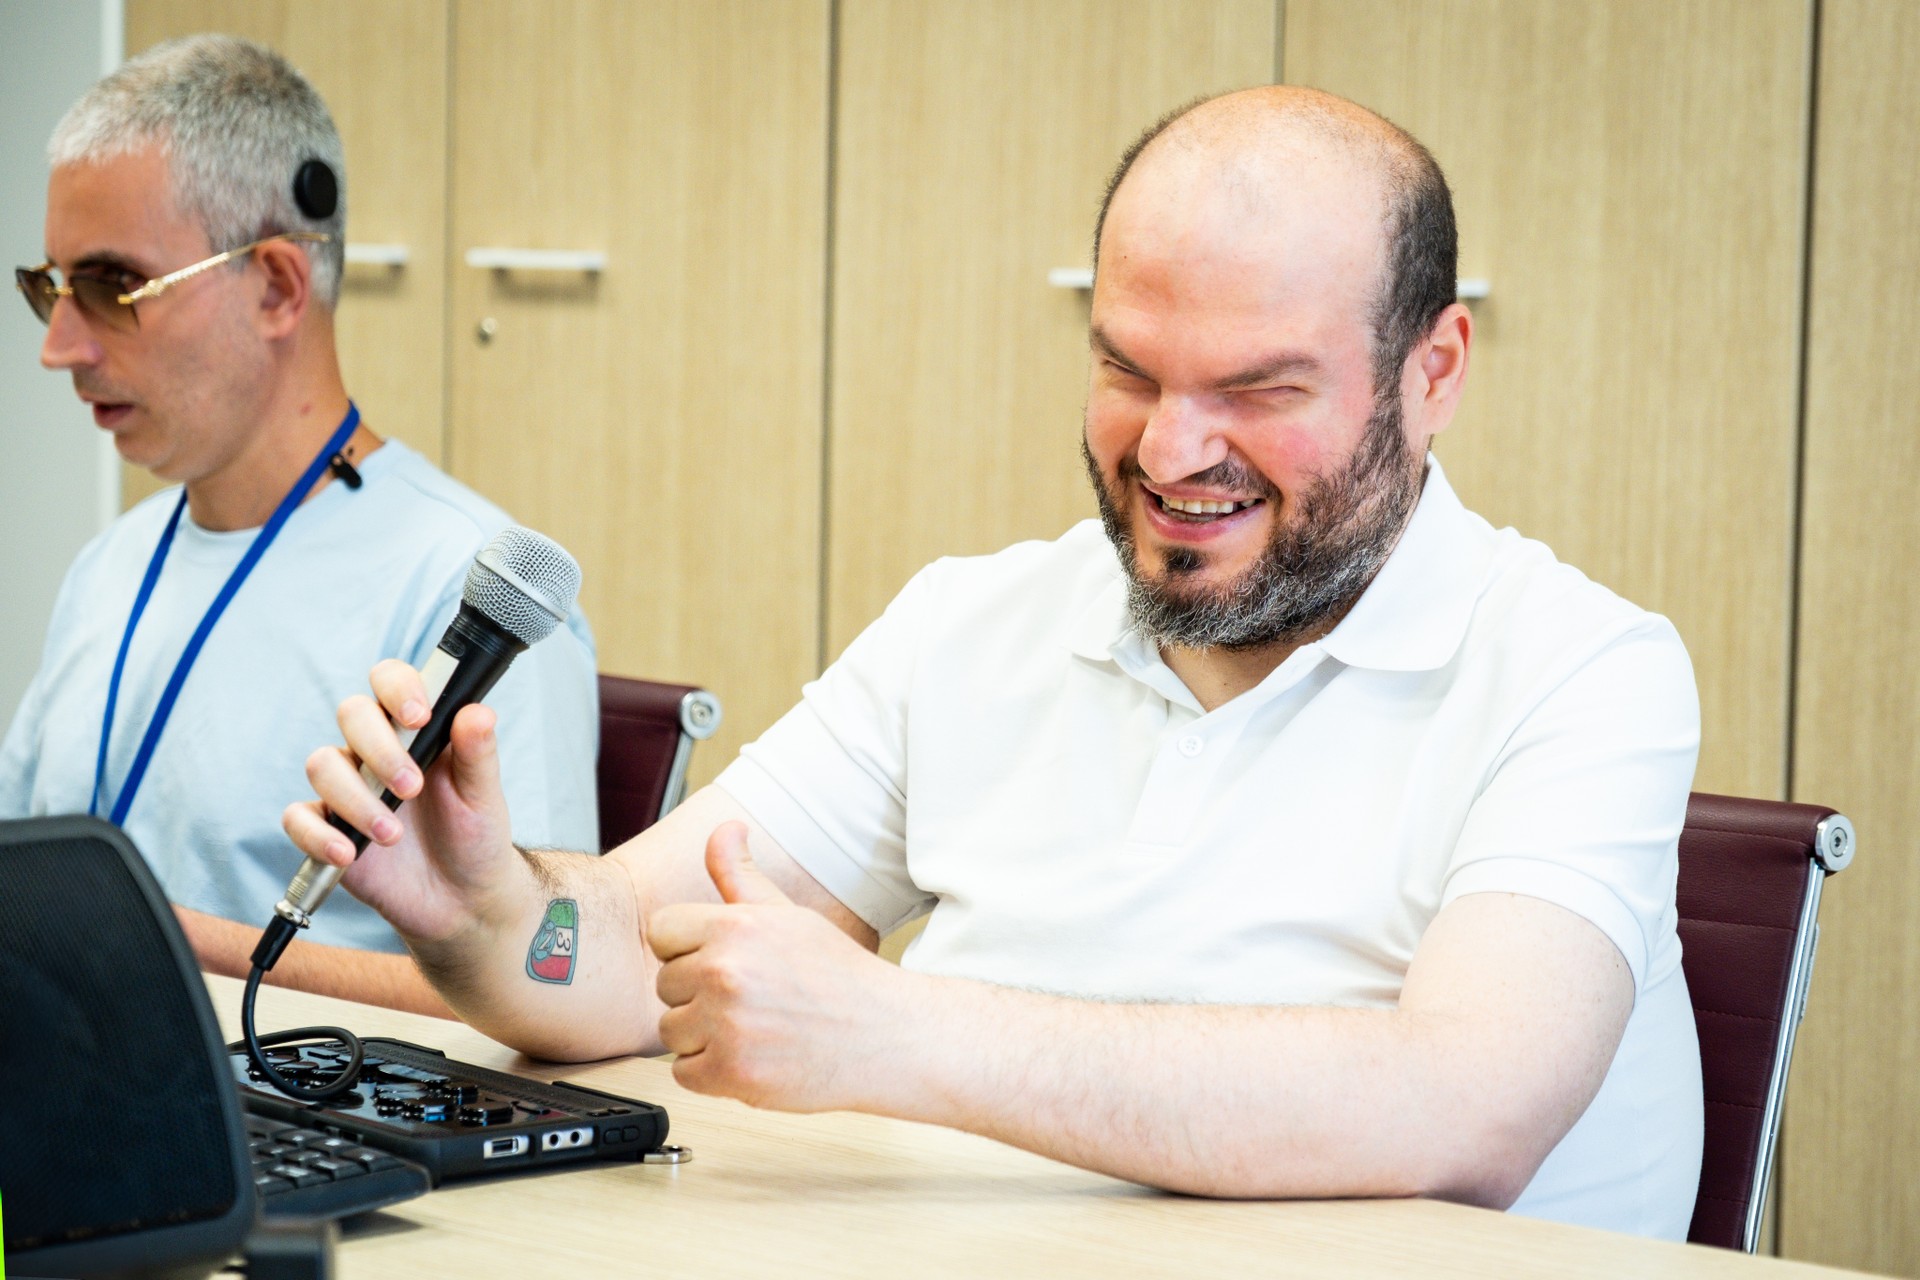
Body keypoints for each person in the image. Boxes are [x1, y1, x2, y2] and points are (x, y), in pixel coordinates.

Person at [291, 86, 1703, 1236]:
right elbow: (614, 959)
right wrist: (486, 912)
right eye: (1130, 371)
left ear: (1434, 370)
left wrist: (891, 1033)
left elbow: (1461, 1108)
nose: (1171, 451)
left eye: (1260, 389)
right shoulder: (975, 623)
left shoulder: (1584, 672)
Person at [0, 35, 599, 1014]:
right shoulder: (111, 564)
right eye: (50, 290)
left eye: (110, 290)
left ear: (278, 287)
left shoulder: (473, 599)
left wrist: (138, 940)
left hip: (291, 1101)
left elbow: (551, 986)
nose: (59, 348)